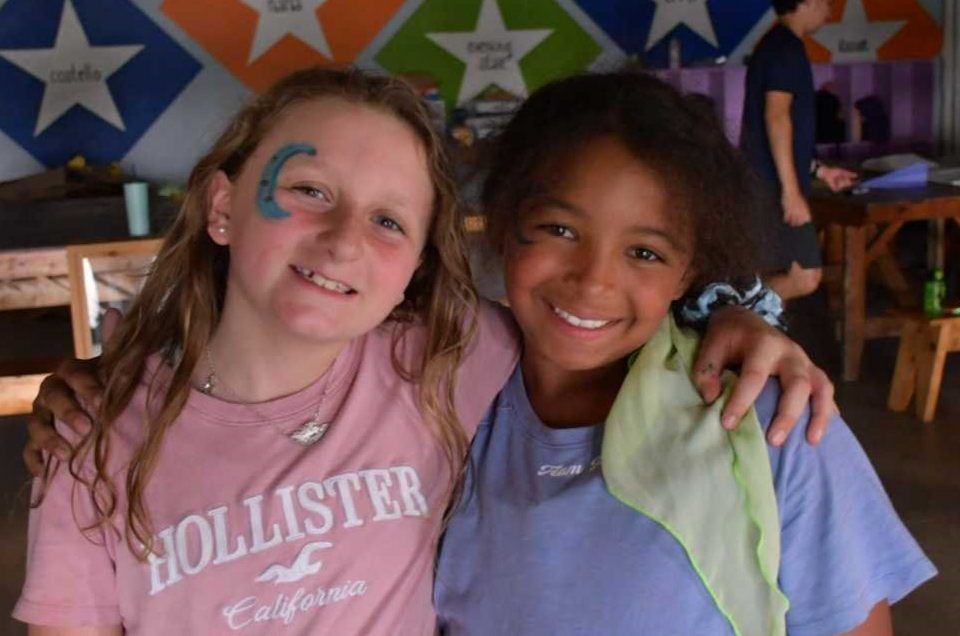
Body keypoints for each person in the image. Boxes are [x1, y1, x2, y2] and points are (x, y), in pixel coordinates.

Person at [17, 68, 834, 634]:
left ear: (415, 263)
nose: (342, 242)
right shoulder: (95, 437)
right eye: (309, 192)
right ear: (221, 206)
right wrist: (99, 381)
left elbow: (598, 304)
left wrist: (742, 315)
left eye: (388, 221)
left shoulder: (440, 358)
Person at [435, 72, 934, 635]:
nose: (594, 282)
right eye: (560, 229)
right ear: (503, 222)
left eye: (645, 252)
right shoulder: (440, 408)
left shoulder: (770, 423)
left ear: (688, 272)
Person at [741, 0, 858, 301]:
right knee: (804, 276)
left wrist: (820, 170)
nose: (829, 13)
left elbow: (776, 131)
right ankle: (723, 308)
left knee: (772, 272)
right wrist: (791, 192)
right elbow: (776, 116)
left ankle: (737, 314)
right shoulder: (786, 49)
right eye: (825, 3)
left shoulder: (776, 45)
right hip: (772, 185)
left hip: (764, 182)